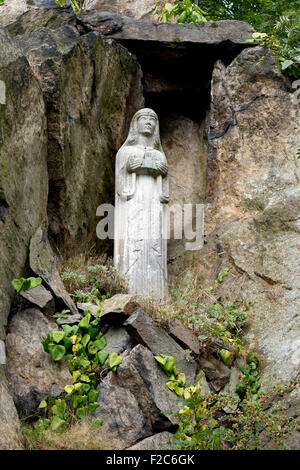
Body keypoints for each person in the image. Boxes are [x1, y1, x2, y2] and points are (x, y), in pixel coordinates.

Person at [114, 108, 169, 300]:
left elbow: (165, 193)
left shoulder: (160, 154)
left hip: (153, 202)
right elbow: (120, 183)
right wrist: (129, 168)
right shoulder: (126, 151)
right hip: (133, 202)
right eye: (144, 118)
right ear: (135, 124)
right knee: (133, 241)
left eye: (152, 119)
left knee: (154, 240)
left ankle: (157, 295)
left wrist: (163, 171)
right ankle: (128, 290)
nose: (148, 122)